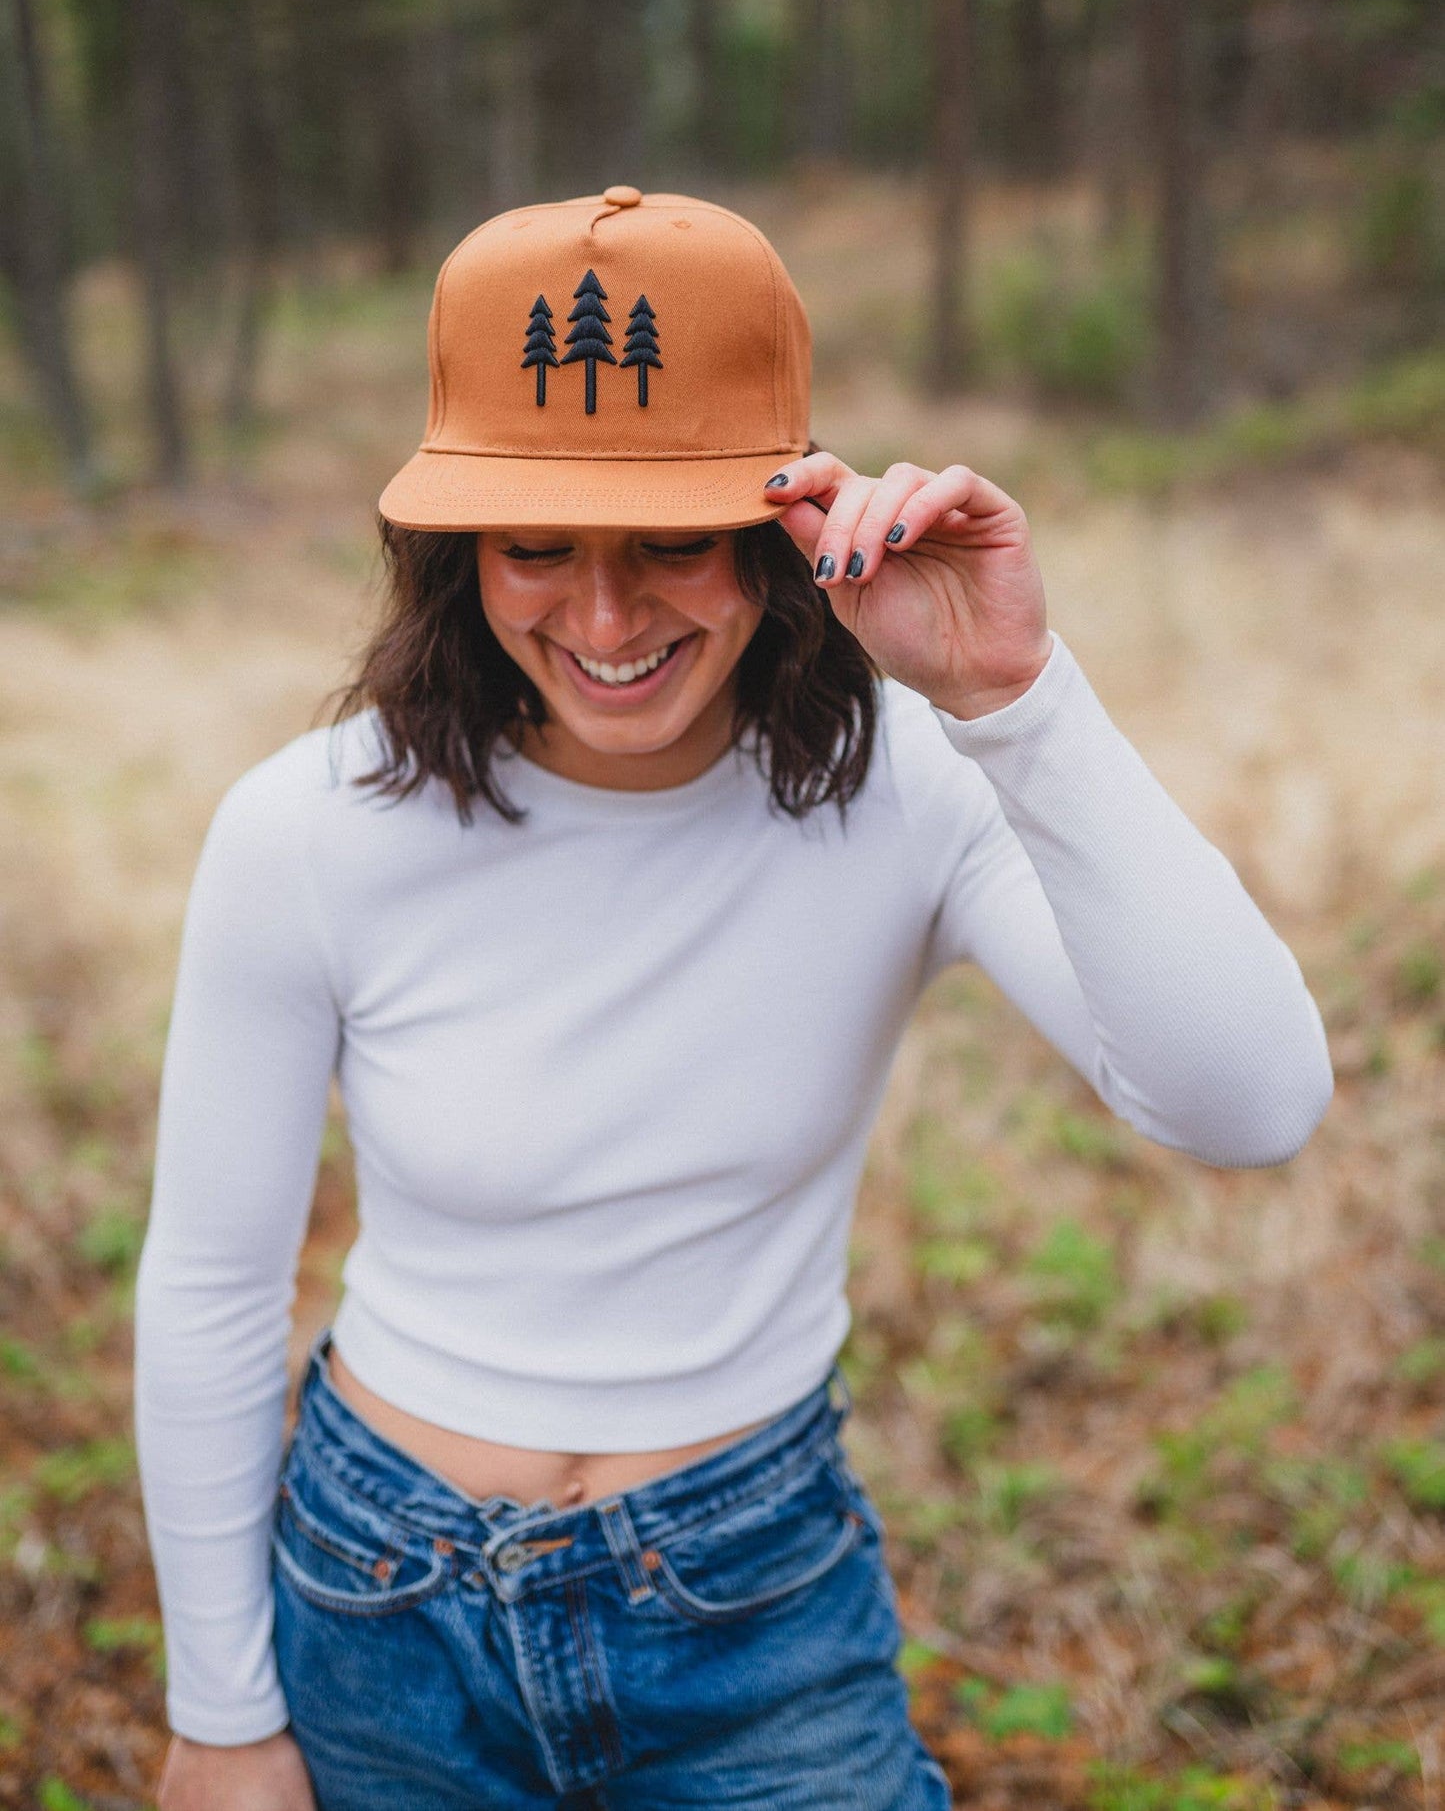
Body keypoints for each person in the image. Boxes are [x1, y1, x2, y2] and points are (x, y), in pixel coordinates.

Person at [134, 186, 1334, 1811]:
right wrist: (222, 1713)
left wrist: (1010, 700)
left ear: (783, 530)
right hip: (380, 1601)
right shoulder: (312, 826)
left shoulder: (905, 786)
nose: (607, 618)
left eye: (674, 542)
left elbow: (1247, 1102)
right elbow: (213, 1283)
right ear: (451, 551)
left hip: (749, 1600)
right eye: (535, 544)